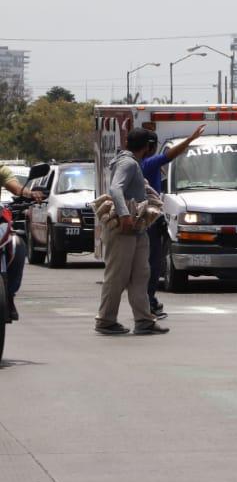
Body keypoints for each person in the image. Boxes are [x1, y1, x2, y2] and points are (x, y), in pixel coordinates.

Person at [96, 129, 168, 336]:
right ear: (148, 147)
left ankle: (144, 321)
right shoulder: (127, 163)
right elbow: (116, 189)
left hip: (137, 230)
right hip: (123, 230)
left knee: (140, 276)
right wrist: (125, 214)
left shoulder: (131, 161)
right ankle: (105, 321)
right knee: (116, 277)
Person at [140, 124, 204, 317]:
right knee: (152, 263)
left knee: (152, 263)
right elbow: (170, 155)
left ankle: (149, 301)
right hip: (150, 221)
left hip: (149, 218)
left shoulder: (142, 164)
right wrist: (190, 140)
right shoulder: (149, 163)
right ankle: (149, 302)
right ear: (150, 146)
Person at [0, 165, 43, 321]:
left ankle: (9, 295)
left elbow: (17, 188)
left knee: (18, 245)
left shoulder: (1, 170)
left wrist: (29, 193)